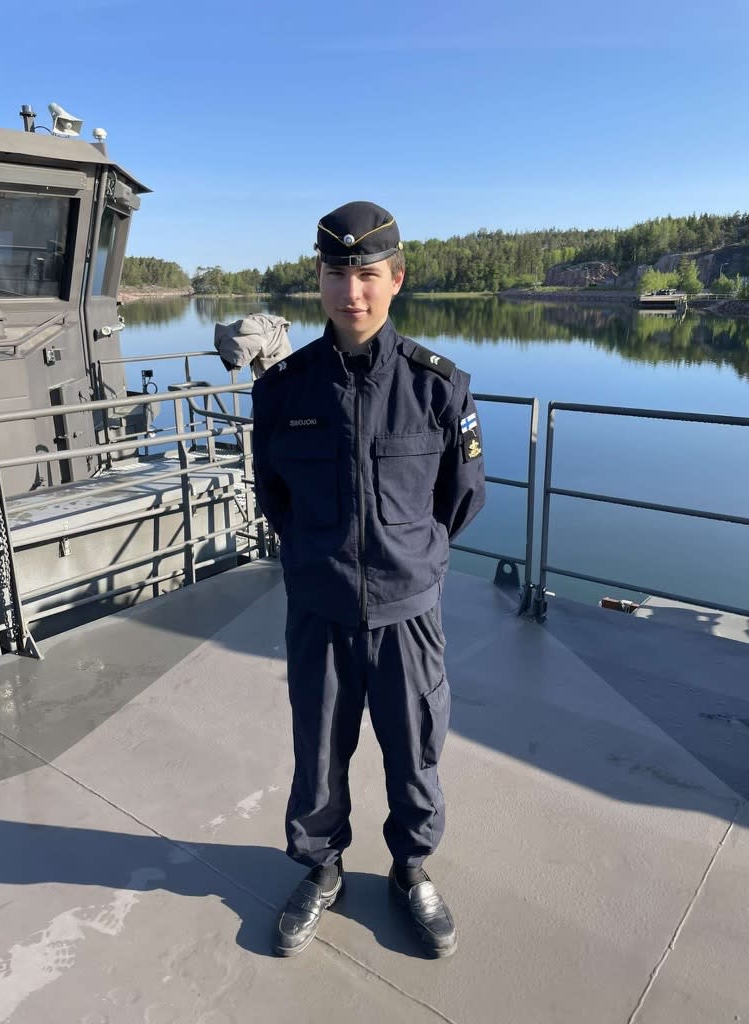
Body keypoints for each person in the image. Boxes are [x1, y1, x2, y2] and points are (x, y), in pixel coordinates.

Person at [251, 201, 485, 959]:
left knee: (414, 749)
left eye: (368, 274)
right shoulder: (283, 391)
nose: (353, 290)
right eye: (337, 274)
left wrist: (408, 562)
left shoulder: (438, 389)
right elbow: (274, 496)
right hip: (319, 608)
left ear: (397, 279)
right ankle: (321, 869)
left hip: (406, 611)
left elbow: (461, 500)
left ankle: (411, 869)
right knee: (317, 749)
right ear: (317, 281)